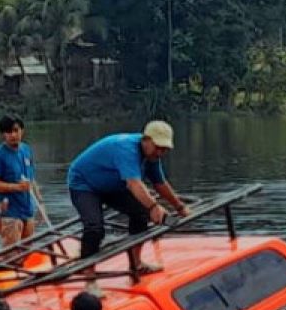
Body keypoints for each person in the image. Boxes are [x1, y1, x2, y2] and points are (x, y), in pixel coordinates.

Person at [65, 120, 192, 292]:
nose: (160, 152)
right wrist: (154, 207)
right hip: (84, 184)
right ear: (145, 140)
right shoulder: (126, 149)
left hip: (113, 185)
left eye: (165, 149)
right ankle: (89, 278)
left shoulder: (152, 156)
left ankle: (136, 263)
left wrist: (179, 207)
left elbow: (160, 183)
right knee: (94, 227)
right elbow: (134, 183)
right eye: (158, 147)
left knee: (140, 214)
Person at [0, 114, 37, 246]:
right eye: (9, 132)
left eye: (16, 130)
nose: (13, 135)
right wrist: (16, 187)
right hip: (10, 212)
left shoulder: (26, 150)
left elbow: (32, 179)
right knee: (12, 255)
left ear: (22, 131)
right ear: (3, 134)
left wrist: (40, 202)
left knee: (29, 252)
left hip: (28, 210)